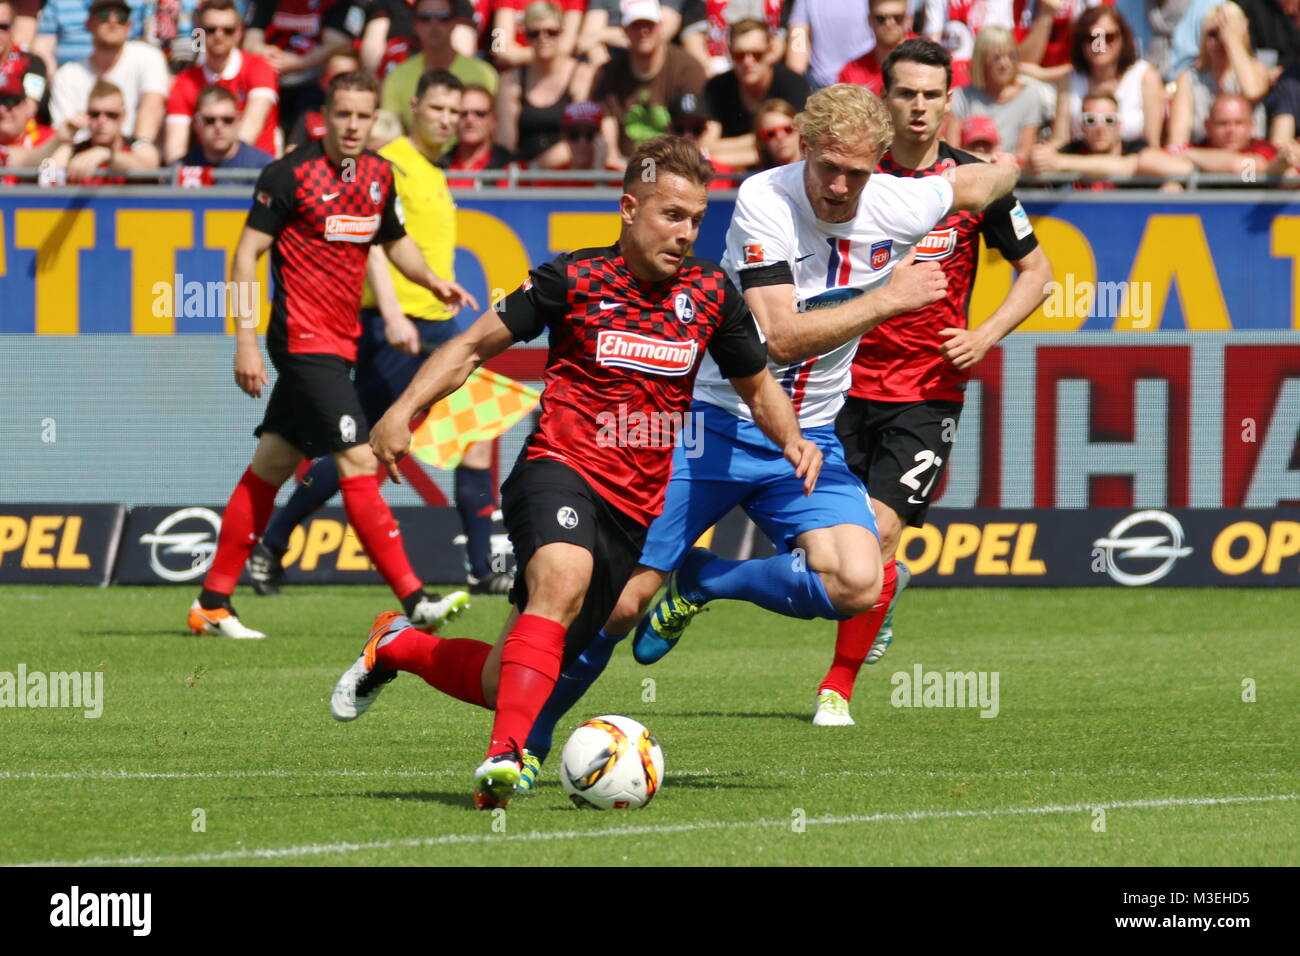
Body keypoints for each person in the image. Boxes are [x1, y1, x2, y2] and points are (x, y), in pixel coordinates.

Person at [515, 76, 1022, 783]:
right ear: (804, 147)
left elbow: (986, 185)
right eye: (829, 167)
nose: (841, 187)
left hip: (806, 440)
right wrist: (890, 299)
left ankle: (711, 579)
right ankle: (526, 744)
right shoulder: (765, 199)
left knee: (858, 580)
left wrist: (1009, 169)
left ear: (879, 163)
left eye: (857, 171)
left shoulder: (905, 198)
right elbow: (778, 339)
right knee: (623, 600)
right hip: (714, 421)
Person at [330, 135, 813, 810]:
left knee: (507, 680)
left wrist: (793, 440)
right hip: (557, 468)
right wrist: (405, 410)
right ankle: (508, 758)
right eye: (671, 214)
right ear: (628, 207)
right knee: (562, 576)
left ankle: (398, 647)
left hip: (632, 508)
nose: (686, 232)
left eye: (697, 219)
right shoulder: (572, 279)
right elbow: (471, 345)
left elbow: (759, 387)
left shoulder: (710, 294)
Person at [186, 70, 477, 640]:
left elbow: (393, 241)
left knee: (271, 464)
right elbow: (246, 255)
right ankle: (416, 601)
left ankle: (212, 603)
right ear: (325, 114)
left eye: (363, 116)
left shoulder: (377, 176)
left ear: (374, 119)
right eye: (342, 114)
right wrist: (245, 339)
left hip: (339, 341)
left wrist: (432, 280)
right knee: (358, 462)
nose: (352, 126)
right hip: (300, 338)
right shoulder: (288, 175)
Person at [816, 38, 1050, 722]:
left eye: (930, 94)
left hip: (927, 392)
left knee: (878, 532)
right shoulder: (853, 179)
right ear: (883, 99)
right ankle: (878, 589)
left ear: (950, 100)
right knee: (826, 553)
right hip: (842, 386)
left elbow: (1038, 275)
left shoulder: (978, 185)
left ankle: (837, 688)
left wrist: (985, 334)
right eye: (904, 93)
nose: (917, 106)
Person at [248, 70, 509, 596]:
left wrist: (436, 284)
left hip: (434, 322)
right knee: (360, 451)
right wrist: (391, 313)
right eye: (437, 108)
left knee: (471, 435)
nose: (447, 120)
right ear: (414, 106)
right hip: (400, 329)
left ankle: (482, 568)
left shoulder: (432, 170)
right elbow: (367, 243)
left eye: (456, 113)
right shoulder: (390, 165)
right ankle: (271, 544)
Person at [591, 0, 706, 168]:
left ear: (660, 27)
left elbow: (696, 130)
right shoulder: (608, 73)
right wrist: (617, 162)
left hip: (675, 166)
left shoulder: (688, 69)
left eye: (649, 25)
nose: (643, 31)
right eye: (635, 25)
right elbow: (608, 135)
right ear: (624, 30)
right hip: (625, 169)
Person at [163, 0, 279, 163]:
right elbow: (175, 149)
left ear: (239, 33)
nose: (219, 36)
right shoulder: (186, 80)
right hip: (205, 176)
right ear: (199, 33)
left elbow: (251, 128)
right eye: (211, 30)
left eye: (228, 30)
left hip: (255, 172)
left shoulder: (258, 67)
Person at [48, 0, 167, 157]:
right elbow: (64, 137)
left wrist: (112, 155)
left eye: (122, 17)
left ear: (129, 26)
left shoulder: (149, 57)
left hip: (131, 160)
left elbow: (151, 112)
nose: (113, 21)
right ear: (88, 24)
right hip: (79, 160)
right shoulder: (67, 75)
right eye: (104, 16)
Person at [242, 0, 363, 138]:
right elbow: (250, 40)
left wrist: (299, 62)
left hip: (313, 81)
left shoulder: (336, 3)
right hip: (271, 75)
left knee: (341, 65)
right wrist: (263, 51)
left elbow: (336, 44)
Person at [495, 1, 593, 169]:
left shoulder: (582, 74)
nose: (543, 38)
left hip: (568, 174)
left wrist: (536, 168)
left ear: (562, 33)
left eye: (551, 32)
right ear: (525, 36)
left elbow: (580, 140)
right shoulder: (512, 80)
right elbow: (505, 143)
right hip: (524, 177)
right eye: (535, 33)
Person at [1050, 5, 1164, 149]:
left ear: (1122, 39)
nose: (1099, 45)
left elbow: (1152, 145)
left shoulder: (1146, 77)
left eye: (1108, 37)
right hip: (1081, 165)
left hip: (1132, 165)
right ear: (1081, 42)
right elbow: (1060, 140)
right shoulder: (1069, 80)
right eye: (1091, 38)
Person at [704, 16, 808, 169]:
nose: (748, 62)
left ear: (770, 52)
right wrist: (761, 141)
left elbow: (794, 145)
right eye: (739, 55)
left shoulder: (793, 84)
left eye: (757, 55)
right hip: (729, 174)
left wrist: (751, 148)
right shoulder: (716, 87)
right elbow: (706, 146)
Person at [380, 0, 497, 131]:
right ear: (415, 25)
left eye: (443, 17)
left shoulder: (484, 74)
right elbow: (386, 133)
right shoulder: (397, 76)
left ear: (454, 23)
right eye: (425, 18)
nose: (434, 25)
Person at [1167, 2, 1268, 148]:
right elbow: (1176, 141)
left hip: (1249, 161)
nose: (1221, 40)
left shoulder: (1256, 68)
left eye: (1227, 32)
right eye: (1214, 33)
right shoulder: (1189, 78)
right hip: (1205, 161)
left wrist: (1233, 41)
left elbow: (1252, 91)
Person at [944, 25, 1044, 161]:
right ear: (981, 60)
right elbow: (952, 151)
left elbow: (1024, 154)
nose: (1005, 64)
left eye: (1011, 56)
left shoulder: (1029, 95)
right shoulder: (961, 96)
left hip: (1014, 175)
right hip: (970, 172)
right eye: (996, 57)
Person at [50, 76, 158, 178]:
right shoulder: (72, 151)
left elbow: (148, 170)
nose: (101, 121)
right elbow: (48, 181)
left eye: (111, 115)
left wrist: (108, 156)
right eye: (94, 114)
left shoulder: (140, 147)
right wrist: (59, 140)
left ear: (123, 116)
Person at [176, 84, 274, 174]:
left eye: (227, 120)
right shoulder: (180, 170)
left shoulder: (263, 168)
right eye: (209, 120)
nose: (218, 127)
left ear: (238, 121)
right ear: (196, 123)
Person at [284, 47, 359, 149]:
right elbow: (292, 151)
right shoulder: (309, 114)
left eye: (348, 77)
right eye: (335, 76)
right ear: (323, 79)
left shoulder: (367, 117)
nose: (341, 83)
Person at [437, 82, 513, 183]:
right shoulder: (438, 167)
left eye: (480, 114)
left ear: (493, 120)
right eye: (463, 113)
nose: (470, 119)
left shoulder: (511, 166)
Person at [838, 0, 915, 94]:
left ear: (908, 19)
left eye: (897, 18)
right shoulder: (852, 72)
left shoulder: (930, 59)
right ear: (869, 20)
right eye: (881, 19)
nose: (889, 24)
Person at [752, 94, 798, 168]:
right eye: (770, 134)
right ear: (762, 142)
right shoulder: (760, 179)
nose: (780, 136)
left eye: (788, 129)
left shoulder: (820, 173)